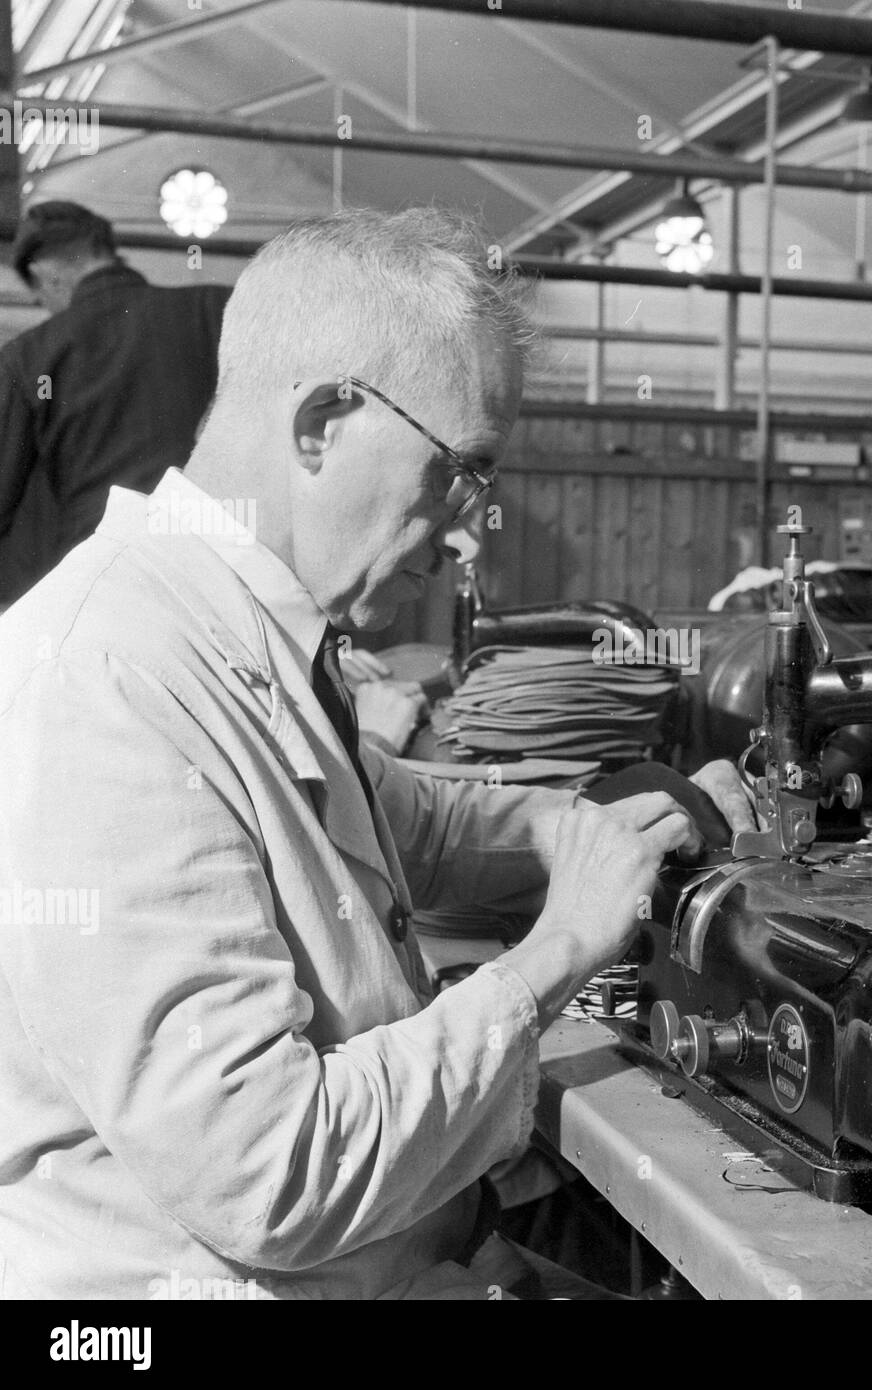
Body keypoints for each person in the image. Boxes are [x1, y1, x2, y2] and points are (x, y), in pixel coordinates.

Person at [0, 206, 753, 1300]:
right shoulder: (107, 682)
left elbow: (405, 817)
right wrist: (558, 952)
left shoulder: (242, 635)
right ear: (323, 422)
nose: (466, 536)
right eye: (460, 472)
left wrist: (586, 828)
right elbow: (273, 1170)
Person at [0, 201, 230, 601]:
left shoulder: (30, 356)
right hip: (225, 564)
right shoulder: (217, 310)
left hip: (111, 583)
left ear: (45, 274)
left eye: (38, 298)